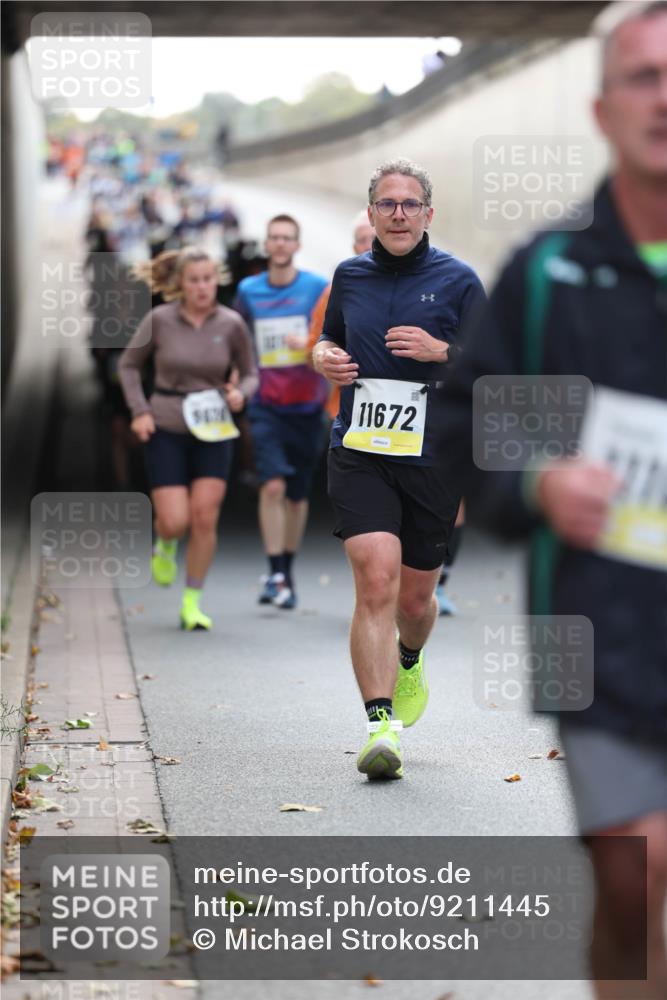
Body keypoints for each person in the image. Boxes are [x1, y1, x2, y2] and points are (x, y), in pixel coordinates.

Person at [442, 3, 667, 994]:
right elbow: (471, 436)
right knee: (635, 881)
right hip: (601, 640)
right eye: (644, 78)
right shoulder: (549, 276)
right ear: (602, 108)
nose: (665, 100)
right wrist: (537, 478)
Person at [313, 158, 485, 779]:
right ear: (371, 213)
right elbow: (328, 339)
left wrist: (445, 352)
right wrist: (323, 357)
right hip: (360, 449)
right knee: (377, 582)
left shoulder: (460, 281)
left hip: (433, 458)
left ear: (428, 214)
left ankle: (409, 657)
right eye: (387, 204)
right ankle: (380, 725)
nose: (399, 214)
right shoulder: (349, 276)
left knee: (415, 598)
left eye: (410, 204)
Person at [118, 247, 258, 630]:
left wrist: (240, 393)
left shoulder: (231, 324)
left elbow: (250, 373)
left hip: (214, 427)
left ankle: (192, 602)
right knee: (175, 520)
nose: (202, 287)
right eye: (194, 280)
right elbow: (129, 366)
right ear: (180, 283)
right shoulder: (159, 320)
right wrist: (140, 411)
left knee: (204, 517)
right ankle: (164, 543)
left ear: (217, 280)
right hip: (166, 423)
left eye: (208, 279)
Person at [235, 215, 329, 610]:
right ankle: (275, 571)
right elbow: (236, 339)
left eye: (287, 238)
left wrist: (306, 344)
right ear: (266, 244)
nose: (280, 244)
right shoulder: (248, 290)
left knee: (295, 495)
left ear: (297, 244)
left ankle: (286, 570)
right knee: (271, 485)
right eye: (274, 237)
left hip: (308, 403)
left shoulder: (317, 288)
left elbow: (332, 337)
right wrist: (236, 381)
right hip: (265, 403)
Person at [307, 211, 374, 422]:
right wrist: (326, 359)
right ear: (354, 248)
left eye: (374, 238)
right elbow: (313, 348)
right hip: (346, 412)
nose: (369, 245)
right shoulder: (336, 291)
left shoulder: (412, 288)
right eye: (362, 240)